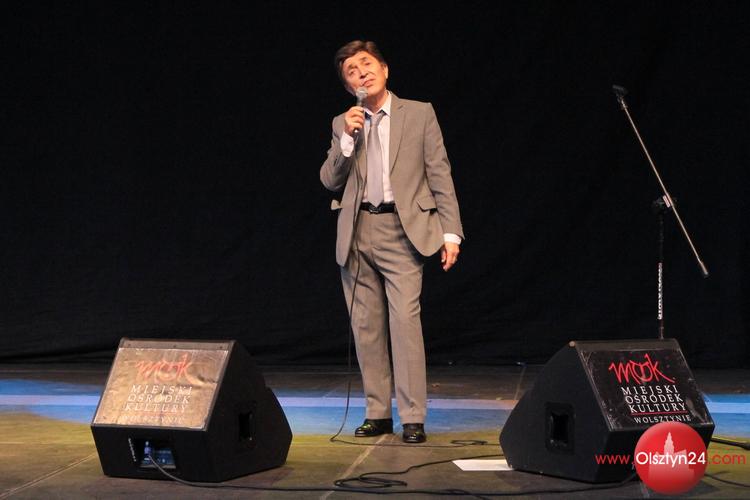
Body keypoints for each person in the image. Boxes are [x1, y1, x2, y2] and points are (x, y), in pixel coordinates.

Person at [320, 40, 464, 443]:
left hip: (403, 229)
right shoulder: (343, 123)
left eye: (367, 65)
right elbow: (329, 180)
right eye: (352, 71)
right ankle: (377, 413)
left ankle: (413, 416)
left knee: (405, 323)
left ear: (384, 70)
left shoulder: (418, 113)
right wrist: (347, 141)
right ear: (348, 87)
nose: (361, 73)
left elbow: (440, 174)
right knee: (366, 327)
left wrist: (450, 232)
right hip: (357, 229)